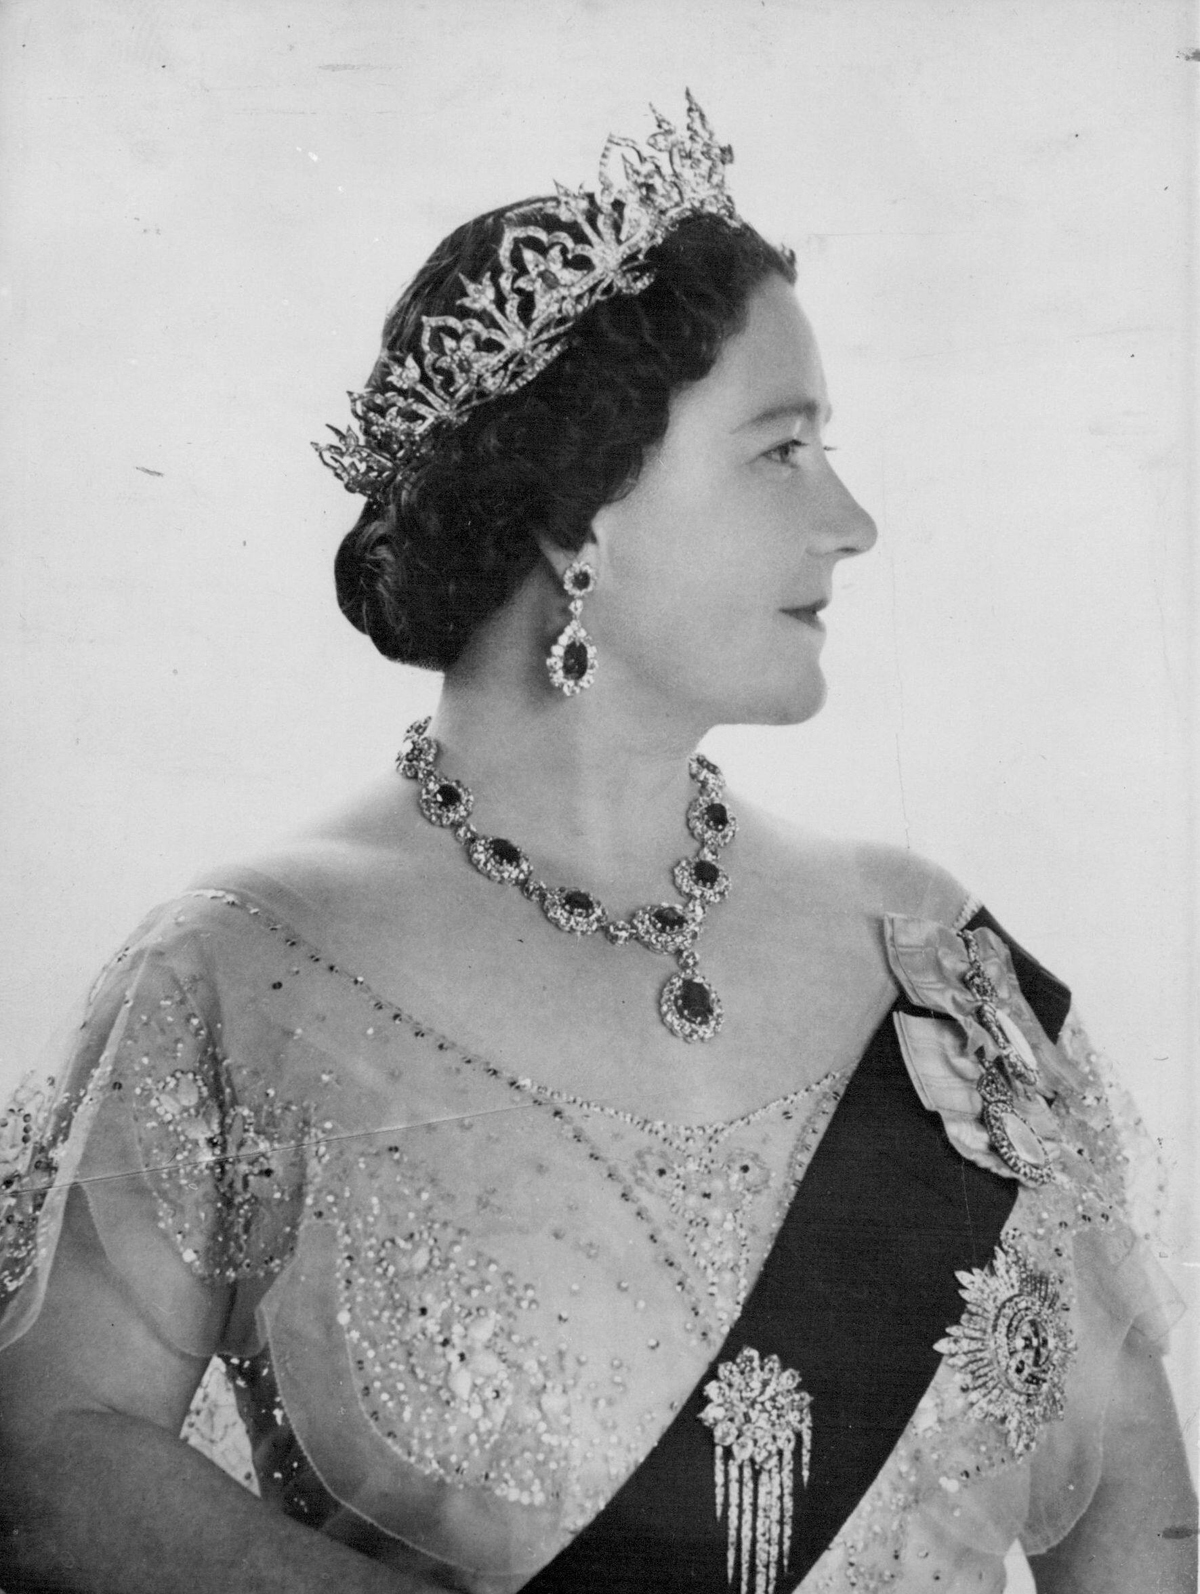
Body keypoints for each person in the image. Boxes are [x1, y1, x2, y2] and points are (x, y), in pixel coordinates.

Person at [0, 95, 1193, 1594]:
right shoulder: (242, 966)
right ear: (583, 518)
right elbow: (49, 1456)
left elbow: (1133, 1518)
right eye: (781, 449)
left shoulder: (931, 955)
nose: (852, 520)